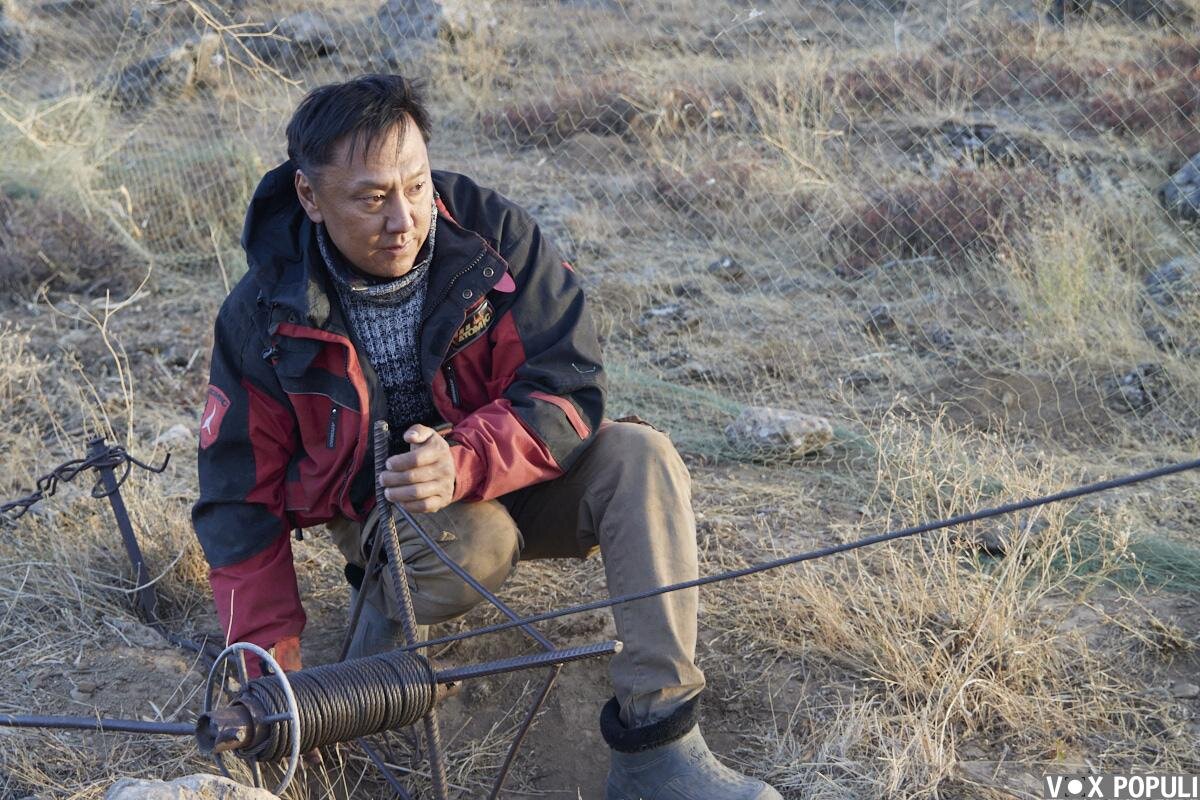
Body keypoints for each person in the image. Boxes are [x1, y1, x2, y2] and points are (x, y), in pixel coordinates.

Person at [191, 73, 781, 800]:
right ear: (310, 198)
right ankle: (382, 637)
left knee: (642, 457)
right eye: (371, 197)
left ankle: (657, 747)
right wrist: (271, 689)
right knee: (474, 545)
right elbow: (237, 509)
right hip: (387, 515)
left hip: (508, 473)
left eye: (414, 184)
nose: (403, 219)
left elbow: (568, 385)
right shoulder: (263, 317)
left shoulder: (491, 239)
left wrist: (463, 462)